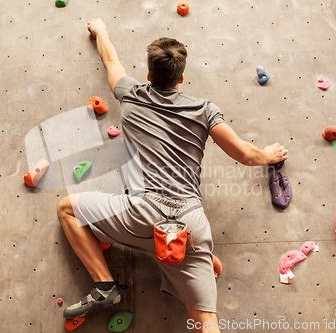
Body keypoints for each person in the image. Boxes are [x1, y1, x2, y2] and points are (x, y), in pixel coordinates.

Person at [56, 18, 288, 333]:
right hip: (189, 224)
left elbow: (110, 59)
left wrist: (101, 30)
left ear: (149, 75)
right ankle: (189, 264)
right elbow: (245, 153)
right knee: (206, 321)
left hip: (139, 215)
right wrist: (268, 155)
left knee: (67, 208)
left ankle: (105, 286)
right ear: (181, 79)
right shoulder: (205, 110)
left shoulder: (130, 93)